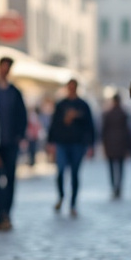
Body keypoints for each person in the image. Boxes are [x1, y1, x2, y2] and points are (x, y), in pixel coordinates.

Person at [0, 56, 29, 231]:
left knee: (10, 180)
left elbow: (22, 116)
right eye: (2, 67)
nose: (4, 70)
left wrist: (20, 136)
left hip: (11, 143)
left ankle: (7, 214)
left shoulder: (15, 92)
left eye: (7, 68)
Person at [47, 79, 95, 216]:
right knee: (60, 171)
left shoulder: (83, 105)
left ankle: (73, 203)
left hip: (78, 144)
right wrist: (50, 142)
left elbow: (90, 125)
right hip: (62, 143)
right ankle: (61, 196)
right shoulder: (61, 105)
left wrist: (91, 144)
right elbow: (54, 124)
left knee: (74, 173)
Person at [102, 91, 131, 199]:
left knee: (112, 168)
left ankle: (114, 187)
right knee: (120, 168)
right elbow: (128, 131)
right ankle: (118, 187)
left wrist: (104, 145)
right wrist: (129, 147)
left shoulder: (108, 114)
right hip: (121, 145)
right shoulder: (124, 114)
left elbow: (104, 131)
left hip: (110, 145)